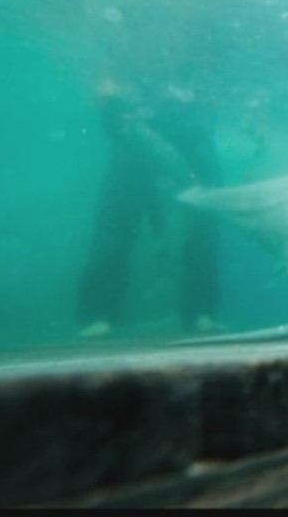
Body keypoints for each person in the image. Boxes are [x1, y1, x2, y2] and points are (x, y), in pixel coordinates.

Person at [77, 75, 222, 338]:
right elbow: (104, 87)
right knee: (114, 226)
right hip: (136, 138)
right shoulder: (127, 48)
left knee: (204, 225)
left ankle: (201, 311)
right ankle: (98, 314)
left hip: (189, 140)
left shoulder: (200, 57)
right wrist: (113, 108)